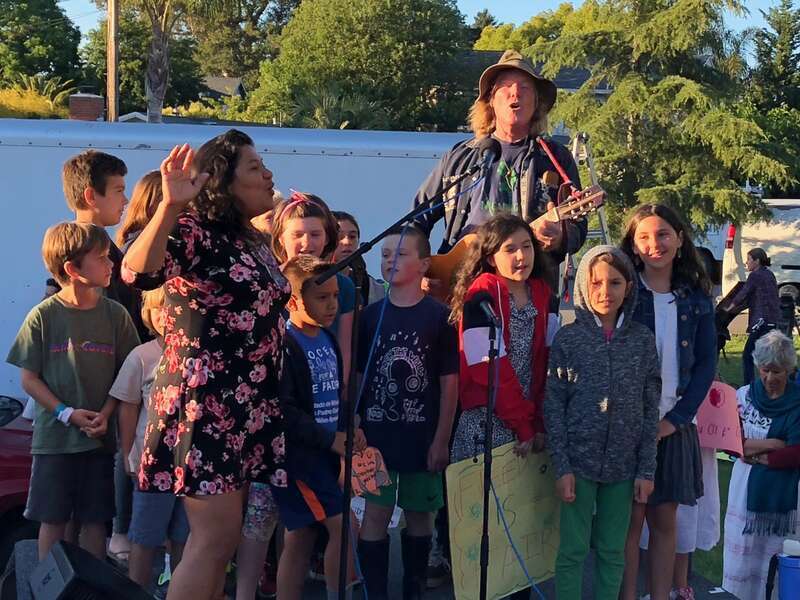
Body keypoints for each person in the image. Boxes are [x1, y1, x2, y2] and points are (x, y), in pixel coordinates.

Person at [122, 132, 288, 600]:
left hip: (245, 405)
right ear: (222, 181)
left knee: (223, 541)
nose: (268, 174)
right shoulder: (194, 229)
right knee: (214, 539)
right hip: (207, 405)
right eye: (254, 167)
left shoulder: (249, 237)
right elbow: (137, 272)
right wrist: (170, 206)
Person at [6, 222, 140, 561]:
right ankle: (47, 582)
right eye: (102, 258)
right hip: (54, 442)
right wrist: (66, 413)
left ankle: (92, 584)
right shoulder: (43, 316)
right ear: (72, 269)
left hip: (99, 441)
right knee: (53, 519)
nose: (111, 264)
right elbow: (29, 379)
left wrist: (105, 415)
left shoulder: (116, 315)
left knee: (95, 520)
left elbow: (127, 375)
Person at [412, 50, 587, 291]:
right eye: (506, 86)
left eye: (525, 87)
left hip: (529, 290)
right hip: (460, 286)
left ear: (536, 103)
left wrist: (560, 237)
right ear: (491, 101)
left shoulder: (556, 158)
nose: (516, 92)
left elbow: (578, 227)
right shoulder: (459, 156)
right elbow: (416, 220)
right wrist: (417, 271)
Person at [545, 245, 661, 600]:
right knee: (573, 550)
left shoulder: (642, 341)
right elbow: (554, 405)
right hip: (577, 465)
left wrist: (646, 470)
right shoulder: (569, 338)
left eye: (614, 282)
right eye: (596, 282)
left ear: (629, 287)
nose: (604, 291)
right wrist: (562, 466)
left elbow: (650, 409)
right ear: (583, 284)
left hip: (624, 468)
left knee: (613, 551)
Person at [619, 204, 717, 600]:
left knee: (664, 522)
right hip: (628, 427)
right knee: (629, 523)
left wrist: (675, 419)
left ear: (679, 238)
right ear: (633, 245)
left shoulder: (696, 297)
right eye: (643, 236)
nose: (654, 244)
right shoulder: (625, 294)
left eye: (662, 234)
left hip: (675, 426)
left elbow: (706, 364)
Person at [357, 225, 459, 600]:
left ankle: (413, 590)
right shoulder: (369, 317)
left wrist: (441, 439)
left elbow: (450, 384)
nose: (390, 261)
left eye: (400, 254)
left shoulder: (440, 317)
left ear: (424, 264)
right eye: (385, 255)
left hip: (422, 438)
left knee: (419, 515)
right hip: (375, 441)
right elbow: (358, 378)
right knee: (375, 515)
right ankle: (374, 593)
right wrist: (354, 422)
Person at [271, 254, 363, 600]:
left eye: (336, 296)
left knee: (302, 535)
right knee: (344, 526)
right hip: (299, 460)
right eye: (322, 297)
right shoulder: (285, 344)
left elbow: (335, 395)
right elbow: (284, 410)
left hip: (324, 454)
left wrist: (348, 427)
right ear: (293, 301)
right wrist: (329, 439)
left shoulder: (327, 339)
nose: (332, 305)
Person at [62, 149, 138, 560]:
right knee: (82, 513)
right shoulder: (91, 254)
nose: (125, 201)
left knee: (83, 515)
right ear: (92, 196)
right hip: (97, 403)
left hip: (99, 402)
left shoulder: (87, 247)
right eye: (119, 190)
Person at [448, 213, 555, 463]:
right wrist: (521, 423)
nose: (521, 256)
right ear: (490, 258)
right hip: (487, 423)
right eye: (510, 249)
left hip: (528, 424)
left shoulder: (543, 294)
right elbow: (487, 367)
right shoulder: (481, 293)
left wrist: (539, 422)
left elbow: (547, 362)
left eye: (527, 246)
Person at [113, 286, 190, 590]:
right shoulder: (141, 356)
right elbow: (128, 407)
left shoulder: (198, 351)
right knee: (145, 536)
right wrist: (129, 453)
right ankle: (136, 591)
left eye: (172, 307)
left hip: (191, 464)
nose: (164, 315)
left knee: (184, 537)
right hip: (153, 462)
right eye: (158, 308)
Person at [722, 330, 800, 599]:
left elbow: (796, 452)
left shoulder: (797, 403)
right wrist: (775, 444)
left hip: (785, 498)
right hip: (744, 492)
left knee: (776, 563)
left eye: (777, 371)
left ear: (789, 370)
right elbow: (733, 443)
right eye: (765, 370)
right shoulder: (743, 396)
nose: (769, 378)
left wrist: (756, 454)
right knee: (742, 560)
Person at [271, 192, 356, 380]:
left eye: (315, 234)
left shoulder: (343, 285)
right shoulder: (268, 283)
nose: (307, 242)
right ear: (281, 238)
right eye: (297, 235)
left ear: (327, 238)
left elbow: (344, 348)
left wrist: (341, 386)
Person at [725, 247, 781, 385]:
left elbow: (743, 293)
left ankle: (749, 385)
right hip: (773, 320)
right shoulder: (770, 274)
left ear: (757, 261)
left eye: (749, 259)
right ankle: (770, 382)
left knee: (748, 355)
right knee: (768, 356)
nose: (746, 262)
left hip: (760, 322)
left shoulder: (755, 276)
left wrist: (729, 308)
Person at [332, 210, 386, 306]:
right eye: (339, 237)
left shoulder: (373, 288)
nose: (347, 242)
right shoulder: (312, 280)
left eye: (352, 236)